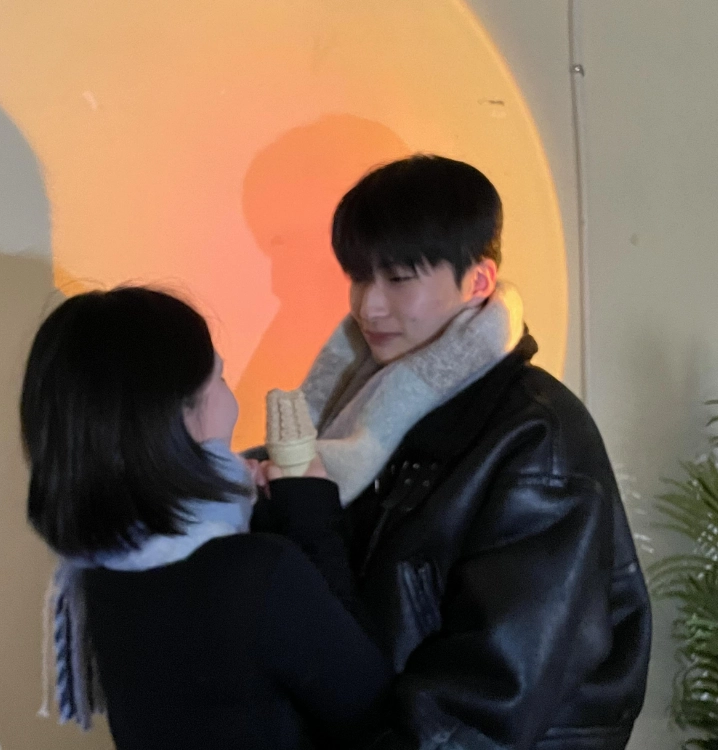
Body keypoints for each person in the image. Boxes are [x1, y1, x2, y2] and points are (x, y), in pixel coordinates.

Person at [259, 155, 652, 749]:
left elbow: (493, 697)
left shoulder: (536, 438)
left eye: (399, 278)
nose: (369, 306)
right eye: (360, 277)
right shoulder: (364, 412)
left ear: (479, 281)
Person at [20, 287, 391, 750]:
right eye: (219, 378)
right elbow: (375, 713)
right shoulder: (256, 573)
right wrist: (311, 512)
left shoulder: (100, 567)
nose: (231, 398)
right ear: (178, 416)